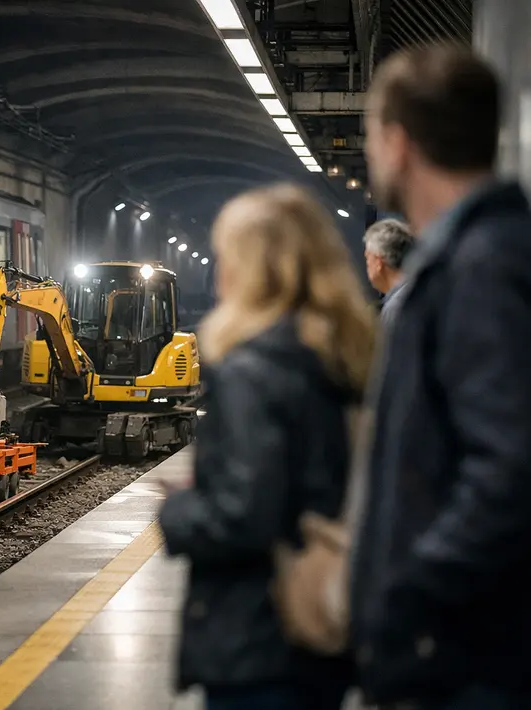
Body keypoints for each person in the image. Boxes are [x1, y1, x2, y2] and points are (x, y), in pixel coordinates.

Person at [351, 44, 531, 709]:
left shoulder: (481, 267)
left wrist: (409, 594)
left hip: (467, 660)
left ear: (397, 144)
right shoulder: (473, 256)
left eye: (371, 135)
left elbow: (508, 469)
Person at [159, 184, 376, 710]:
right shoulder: (345, 357)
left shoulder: (250, 370)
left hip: (257, 634)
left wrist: (179, 511)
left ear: (249, 266)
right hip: (323, 622)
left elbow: (243, 516)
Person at [362, 218, 416, 327]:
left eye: (368, 259)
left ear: (378, 263)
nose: (367, 266)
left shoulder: (395, 309)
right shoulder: (419, 293)